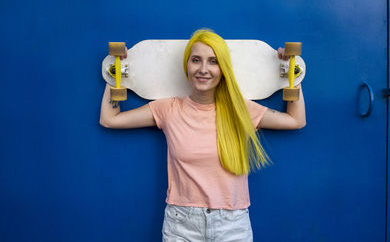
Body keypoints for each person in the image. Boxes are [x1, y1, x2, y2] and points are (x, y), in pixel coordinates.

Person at [100, 29, 306, 241]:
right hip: (181, 224)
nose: (203, 69)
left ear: (223, 67)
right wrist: (114, 72)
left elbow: (296, 120)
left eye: (213, 61)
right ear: (187, 65)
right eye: (196, 60)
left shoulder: (240, 110)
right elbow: (110, 119)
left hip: (232, 224)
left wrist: (291, 72)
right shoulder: (168, 109)